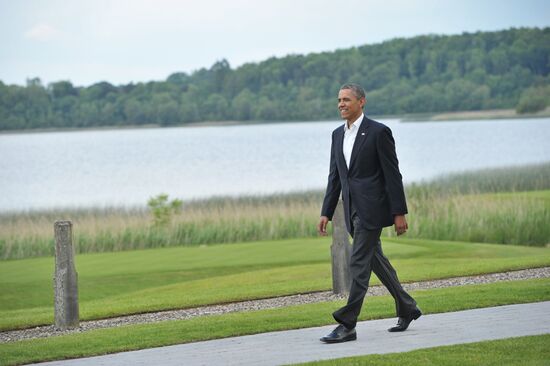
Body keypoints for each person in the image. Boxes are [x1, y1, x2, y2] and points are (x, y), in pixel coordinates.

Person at [318, 83, 421, 343]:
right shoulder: (336, 135)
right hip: (352, 211)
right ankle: (407, 307)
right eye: (339, 100)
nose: (341, 104)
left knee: (358, 263)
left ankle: (347, 324)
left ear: (361, 102)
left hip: (373, 211)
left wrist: (399, 212)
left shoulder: (378, 132)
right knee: (376, 261)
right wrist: (326, 212)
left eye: (347, 100)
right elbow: (335, 177)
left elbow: (392, 175)